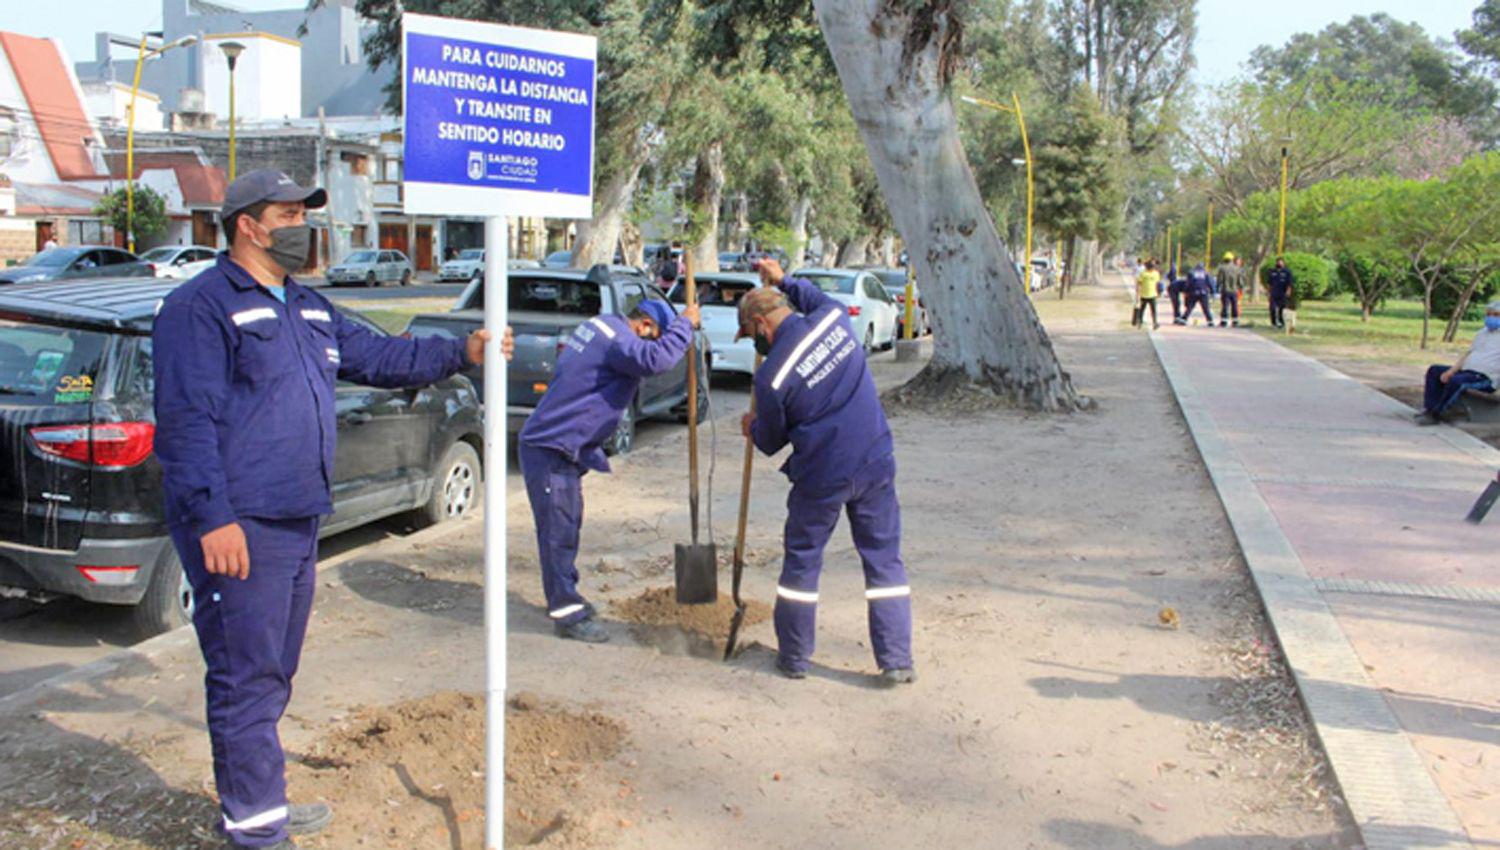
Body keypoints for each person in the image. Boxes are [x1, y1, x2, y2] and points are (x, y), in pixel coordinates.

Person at [152, 171, 498, 850]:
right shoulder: (201, 308)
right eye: (288, 214)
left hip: (298, 516)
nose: (303, 227)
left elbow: (380, 355)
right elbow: (185, 423)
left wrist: (462, 350)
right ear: (248, 225)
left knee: (273, 670)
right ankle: (256, 831)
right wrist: (212, 517)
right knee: (245, 674)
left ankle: (259, 803)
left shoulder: (306, 306)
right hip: (240, 524)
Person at [738, 258, 915, 686]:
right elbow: (811, 297)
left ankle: (794, 658)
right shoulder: (833, 319)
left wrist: (752, 426)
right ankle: (897, 661)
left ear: (761, 323)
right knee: (884, 559)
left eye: (751, 335)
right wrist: (784, 279)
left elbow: (772, 440)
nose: (754, 344)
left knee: (802, 562)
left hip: (822, 474)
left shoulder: (771, 378)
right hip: (874, 458)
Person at [517, 284, 700, 642]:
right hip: (552, 448)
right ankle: (568, 615)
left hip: (558, 446)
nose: (651, 344)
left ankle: (564, 594)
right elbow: (656, 360)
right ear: (644, 326)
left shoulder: (603, 325)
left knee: (566, 526)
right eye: (654, 337)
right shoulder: (619, 339)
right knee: (559, 533)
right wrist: (685, 325)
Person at [1415, 301, 1500, 425]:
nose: (1491, 318)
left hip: (1485, 378)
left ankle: (1436, 414)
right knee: (1435, 370)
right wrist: (1451, 371)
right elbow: (1468, 354)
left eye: (1496, 315)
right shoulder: (1482, 333)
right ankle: (1430, 408)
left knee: (1458, 381)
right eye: (1489, 314)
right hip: (1467, 371)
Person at [1215, 252, 1243, 327]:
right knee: (1234, 306)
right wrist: (1241, 288)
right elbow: (1240, 281)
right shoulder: (1237, 268)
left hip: (1225, 290)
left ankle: (1224, 321)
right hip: (1234, 291)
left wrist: (1217, 288)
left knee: (1225, 306)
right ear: (1232, 259)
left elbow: (1219, 280)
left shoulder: (1222, 268)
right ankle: (1235, 321)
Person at [1133, 260, 1161, 329]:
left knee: (1154, 311)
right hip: (1144, 295)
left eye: (1152, 267)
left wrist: (1158, 293)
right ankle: (1140, 322)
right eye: (1150, 267)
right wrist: (1137, 294)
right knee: (1142, 310)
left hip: (1153, 295)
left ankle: (1155, 323)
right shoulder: (1143, 274)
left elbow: (1157, 284)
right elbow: (1139, 284)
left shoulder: (1156, 274)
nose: (1151, 268)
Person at [1268, 258, 1294, 328]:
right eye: (1278, 262)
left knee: (1282, 309)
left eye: (1281, 262)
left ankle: (1281, 322)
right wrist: (1269, 292)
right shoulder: (1272, 271)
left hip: (1283, 293)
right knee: (1272, 308)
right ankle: (1273, 323)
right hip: (1274, 293)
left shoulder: (1287, 272)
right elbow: (1269, 283)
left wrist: (1288, 291)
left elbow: (1289, 283)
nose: (1279, 264)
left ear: (1283, 263)